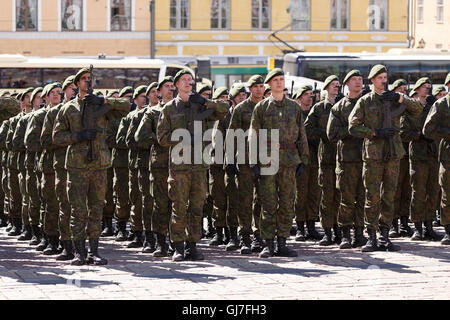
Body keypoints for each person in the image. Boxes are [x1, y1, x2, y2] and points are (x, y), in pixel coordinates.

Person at [53, 67, 130, 265]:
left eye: (90, 79)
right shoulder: (68, 108)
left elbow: (126, 107)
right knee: (78, 210)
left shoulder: (101, 106)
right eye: (84, 79)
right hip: (77, 166)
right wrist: (77, 137)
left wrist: (104, 101)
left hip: (99, 165)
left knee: (96, 209)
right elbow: (57, 136)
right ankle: (79, 252)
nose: (88, 82)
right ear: (77, 83)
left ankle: (94, 251)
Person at [348, 64, 423, 252]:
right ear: (372, 80)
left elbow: (418, 110)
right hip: (373, 154)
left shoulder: (396, 100)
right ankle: (371, 236)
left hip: (393, 153)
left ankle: (384, 236)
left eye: (385, 77)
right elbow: (353, 126)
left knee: (389, 195)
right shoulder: (365, 101)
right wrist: (374, 132)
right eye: (380, 77)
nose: (383, 80)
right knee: (372, 196)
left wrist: (400, 97)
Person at [156, 69, 228, 262]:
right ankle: (178, 246)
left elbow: (224, 109)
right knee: (179, 206)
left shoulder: (201, 107)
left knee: (197, 206)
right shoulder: (169, 108)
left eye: (191, 80)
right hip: (179, 165)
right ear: (176, 85)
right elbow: (161, 138)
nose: (189, 83)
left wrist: (205, 102)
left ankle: (192, 246)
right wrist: (182, 138)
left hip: (199, 164)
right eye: (184, 80)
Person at [249, 68, 309, 258]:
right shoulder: (262, 108)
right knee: (268, 202)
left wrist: (303, 159)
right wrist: (253, 161)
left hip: (289, 159)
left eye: (281, 79)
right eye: (275, 80)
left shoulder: (294, 107)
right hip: (268, 159)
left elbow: (301, 134)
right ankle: (268, 243)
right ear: (269, 84)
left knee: (286, 202)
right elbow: (253, 134)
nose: (279, 83)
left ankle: (282, 242)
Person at [326, 70, 367, 249]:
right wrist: (353, 130)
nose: (358, 82)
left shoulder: (369, 104)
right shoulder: (339, 107)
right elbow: (331, 134)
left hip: (367, 158)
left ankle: (360, 233)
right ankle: (345, 234)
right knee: (347, 199)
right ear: (347, 84)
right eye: (354, 80)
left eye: (360, 79)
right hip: (347, 160)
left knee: (363, 197)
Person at [226, 75, 266, 254]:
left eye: (260, 86)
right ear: (250, 89)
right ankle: (245, 236)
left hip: (265, 159)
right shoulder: (241, 109)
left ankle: (259, 236)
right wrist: (229, 159)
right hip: (244, 160)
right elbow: (231, 135)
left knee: (262, 199)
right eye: (255, 86)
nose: (258, 89)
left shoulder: (268, 107)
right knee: (245, 199)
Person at [135, 78, 174, 257]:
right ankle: (158, 242)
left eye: (172, 86)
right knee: (159, 205)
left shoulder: (181, 109)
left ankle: (177, 241)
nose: (170, 89)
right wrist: (162, 138)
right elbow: (140, 136)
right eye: (167, 86)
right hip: (160, 164)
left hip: (180, 164)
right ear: (158, 91)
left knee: (179, 205)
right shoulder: (152, 112)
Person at [41, 76, 77, 260]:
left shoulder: (84, 110)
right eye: (70, 88)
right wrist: (70, 138)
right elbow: (45, 140)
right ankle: (60, 243)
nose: (74, 91)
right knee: (60, 206)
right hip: (61, 166)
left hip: (81, 166)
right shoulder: (53, 113)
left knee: (79, 208)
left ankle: (80, 245)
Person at [401, 78, 441, 241]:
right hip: (418, 155)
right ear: (417, 89)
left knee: (433, 191)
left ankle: (429, 226)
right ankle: (417, 226)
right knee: (418, 191)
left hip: (432, 154)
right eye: (425, 87)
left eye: (429, 88)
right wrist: (419, 135)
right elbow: (403, 132)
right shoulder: (410, 110)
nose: (428, 90)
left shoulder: (433, 108)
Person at [305, 75, 342, 246]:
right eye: (334, 85)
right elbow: (307, 128)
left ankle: (340, 231)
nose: (337, 87)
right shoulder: (319, 108)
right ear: (326, 88)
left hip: (343, 158)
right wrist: (325, 133)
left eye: (338, 85)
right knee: (327, 197)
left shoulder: (344, 106)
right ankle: (327, 232)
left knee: (341, 197)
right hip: (326, 158)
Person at [292, 85, 322, 242]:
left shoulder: (316, 113)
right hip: (300, 159)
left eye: (311, 94)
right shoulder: (295, 114)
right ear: (298, 98)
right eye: (306, 95)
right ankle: (300, 227)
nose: (310, 97)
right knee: (300, 194)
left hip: (315, 158)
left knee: (314, 193)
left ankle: (311, 226)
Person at [423, 89, 450, 245]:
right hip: (448, 156)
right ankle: (448, 230)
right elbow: (428, 130)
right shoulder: (441, 104)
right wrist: (447, 132)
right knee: (447, 194)